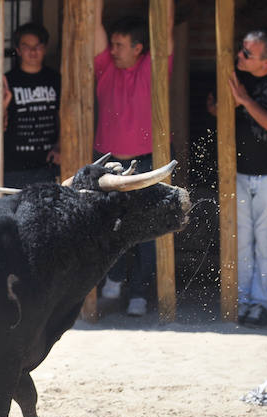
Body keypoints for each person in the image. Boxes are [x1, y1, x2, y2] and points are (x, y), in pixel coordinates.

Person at [93, 0, 174, 317]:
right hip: (106, 159)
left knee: (145, 227)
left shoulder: (153, 68)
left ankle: (138, 292)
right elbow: (94, 27)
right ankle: (112, 279)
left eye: (120, 45)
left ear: (139, 48)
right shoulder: (105, 67)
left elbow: (165, 29)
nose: (113, 49)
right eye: (112, 43)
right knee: (107, 225)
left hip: (146, 160)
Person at [208, 29, 267, 328]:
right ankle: (244, 300)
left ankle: (263, 303)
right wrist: (229, 103)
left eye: (248, 54)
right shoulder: (235, 75)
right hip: (237, 173)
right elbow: (213, 109)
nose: (239, 56)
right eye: (241, 50)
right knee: (240, 241)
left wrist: (246, 101)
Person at [3, 22, 61, 189]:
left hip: (48, 163)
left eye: (38, 46)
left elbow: (64, 116)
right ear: (18, 50)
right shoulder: (8, 80)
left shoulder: (56, 79)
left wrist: (60, 146)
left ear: (45, 48)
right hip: (14, 165)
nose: (33, 51)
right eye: (27, 46)